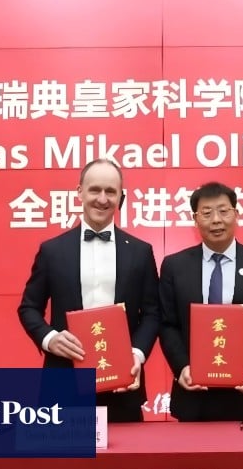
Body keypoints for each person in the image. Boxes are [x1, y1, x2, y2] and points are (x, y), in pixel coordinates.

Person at [17, 158, 160, 422]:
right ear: (80, 192)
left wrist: (136, 354)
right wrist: (50, 338)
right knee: (62, 451)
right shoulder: (52, 250)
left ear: (121, 197)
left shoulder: (141, 252)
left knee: (127, 451)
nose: (102, 199)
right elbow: (29, 307)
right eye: (95, 190)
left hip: (123, 385)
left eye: (111, 191)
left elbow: (152, 313)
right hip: (63, 381)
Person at [158, 181, 243, 422]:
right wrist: (182, 367)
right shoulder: (174, 266)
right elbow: (167, 324)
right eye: (206, 213)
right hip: (195, 396)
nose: (216, 220)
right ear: (195, 219)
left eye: (223, 211)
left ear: (236, 214)